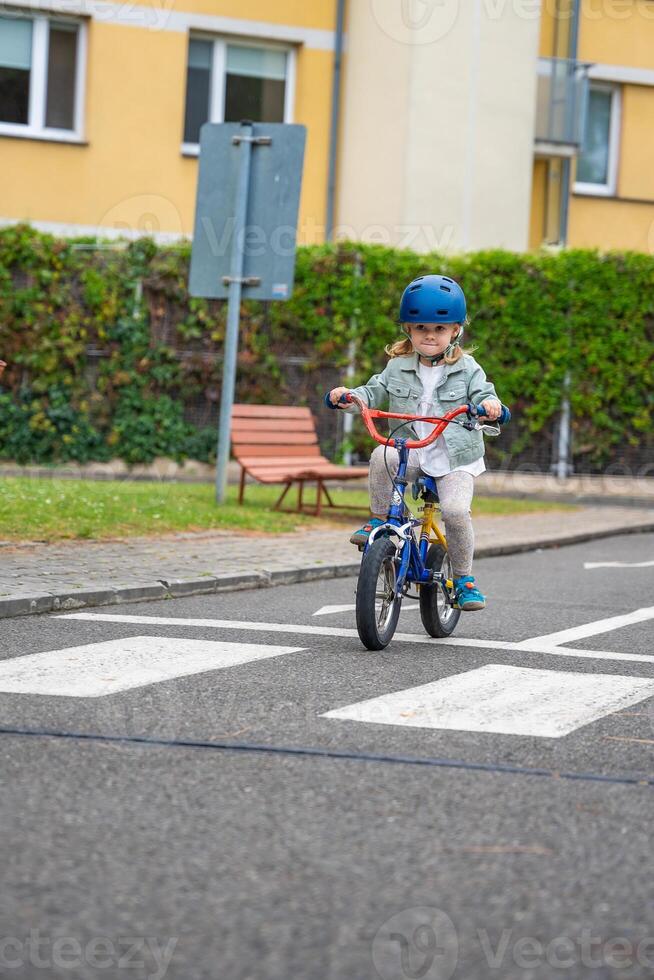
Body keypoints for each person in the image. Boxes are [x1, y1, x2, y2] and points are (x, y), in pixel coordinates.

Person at [328, 274, 504, 611]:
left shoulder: (468, 369)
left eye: (439, 329)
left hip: (454, 457)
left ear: (455, 331)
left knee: (454, 511)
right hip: (412, 450)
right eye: (421, 327)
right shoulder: (397, 367)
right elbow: (373, 391)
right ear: (408, 330)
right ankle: (381, 520)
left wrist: (491, 409)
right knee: (382, 454)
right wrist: (349, 396)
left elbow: (485, 396)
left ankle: (464, 578)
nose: (430, 335)